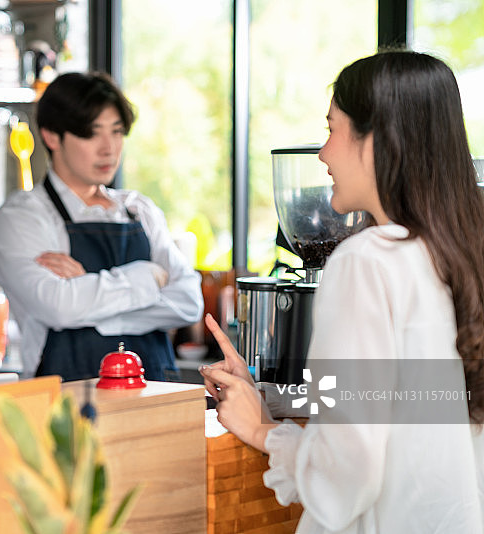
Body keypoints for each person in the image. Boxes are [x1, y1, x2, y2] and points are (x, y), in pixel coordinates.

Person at [201, 50, 484, 533]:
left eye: (332, 129)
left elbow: (348, 470)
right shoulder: (461, 252)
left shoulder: (366, 260)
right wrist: (265, 399)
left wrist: (261, 429)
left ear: (375, 141)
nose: (323, 154)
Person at [0, 72, 203, 381]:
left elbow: (188, 303)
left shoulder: (139, 209)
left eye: (117, 132)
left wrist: (87, 287)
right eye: (92, 133)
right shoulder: (22, 217)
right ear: (51, 136)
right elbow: (60, 308)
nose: (109, 149)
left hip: (158, 394)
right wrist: (148, 276)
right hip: (67, 406)